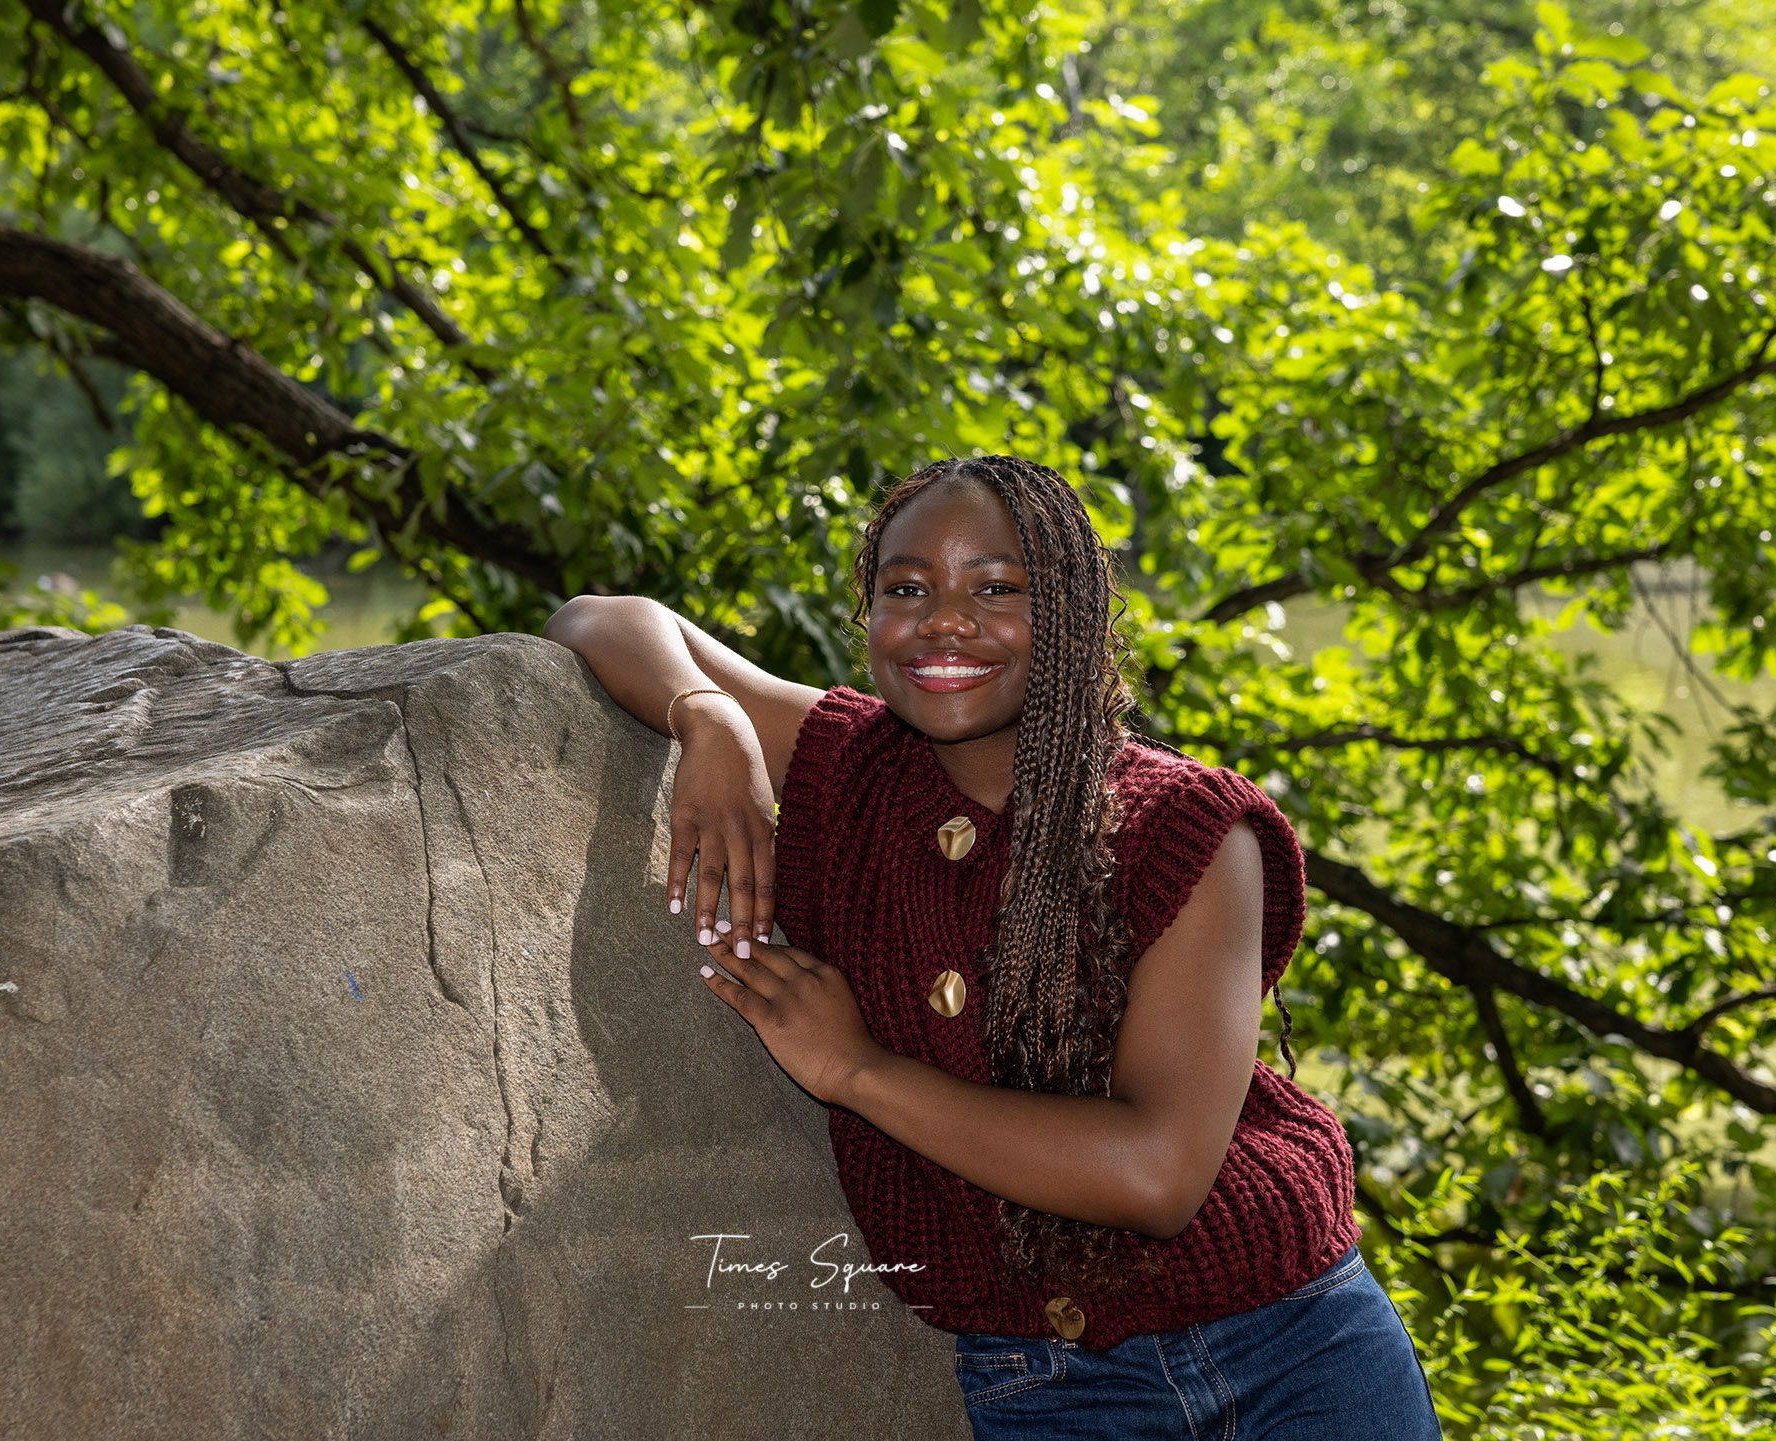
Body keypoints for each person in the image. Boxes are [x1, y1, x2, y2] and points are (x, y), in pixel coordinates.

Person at [542, 453, 1443, 1440]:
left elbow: (1156, 1174)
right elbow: (599, 618)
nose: (944, 621)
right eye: (907, 587)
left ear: (1071, 611)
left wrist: (858, 1070)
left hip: (1293, 1344)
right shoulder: (853, 770)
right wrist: (708, 714)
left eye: (998, 587)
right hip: (1045, 1379)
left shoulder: (1182, 827)